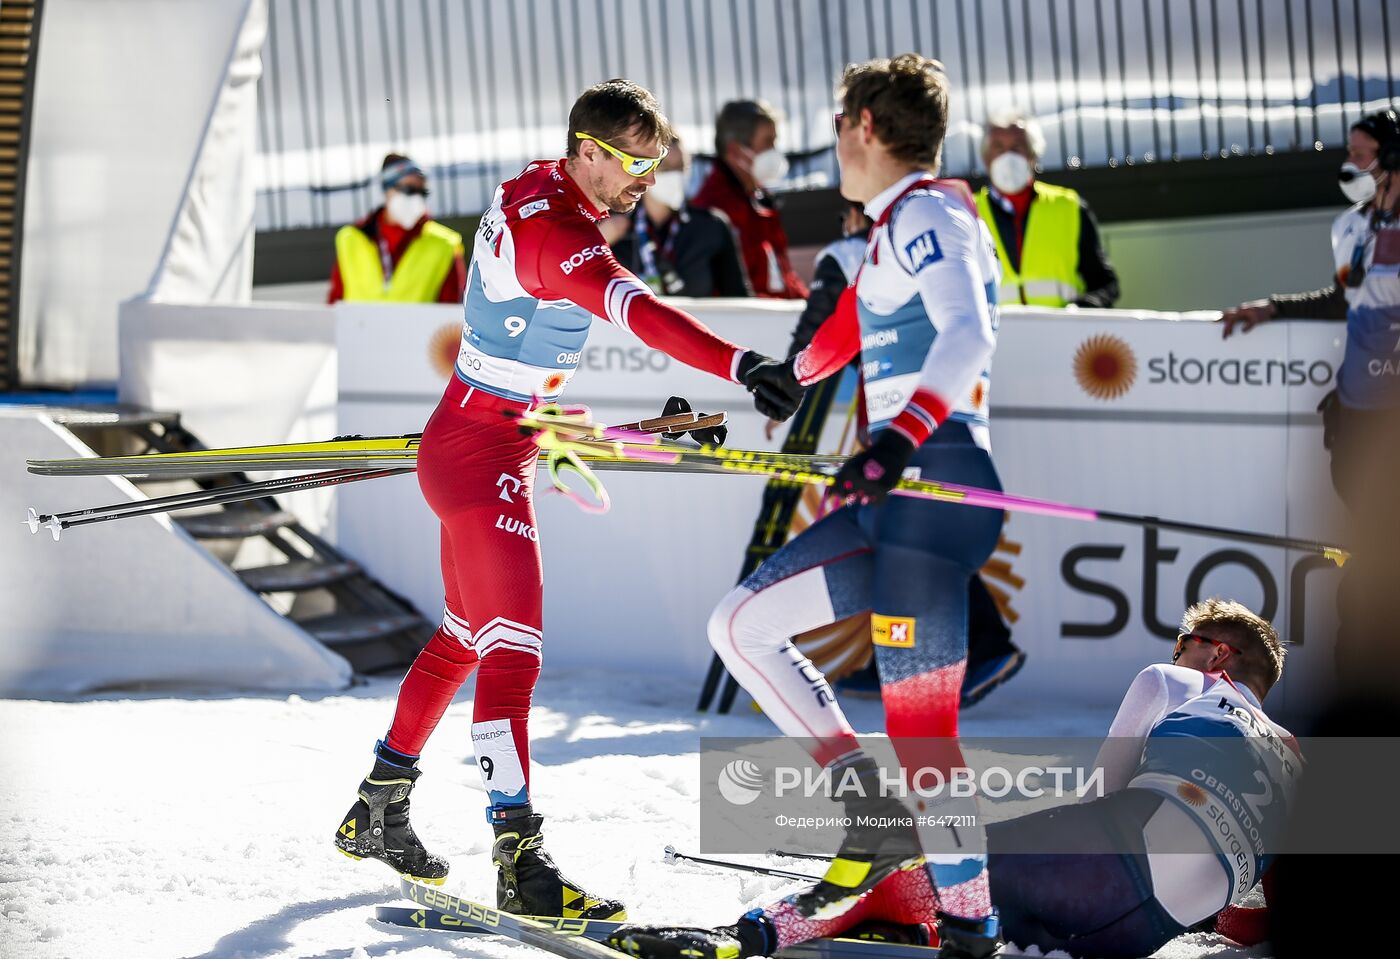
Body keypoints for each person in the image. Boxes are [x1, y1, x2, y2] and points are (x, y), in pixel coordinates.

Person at [332, 79, 804, 920]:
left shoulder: (541, 188)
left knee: (465, 636)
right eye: (632, 163)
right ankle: (521, 859)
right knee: (514, 648)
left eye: (655, 166)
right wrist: (742, 366)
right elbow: (645, 315)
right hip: (480, 456)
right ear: (586, 149)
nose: (644, 183)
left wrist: (614, 426)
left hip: (481, 436)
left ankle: (380, 800)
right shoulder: (556, 232)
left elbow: (524, 368)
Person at [623, 54, 1007, 959]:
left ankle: (964, 921)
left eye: (839, 126)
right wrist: (781, 375)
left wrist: (898, 436)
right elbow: (846, 332)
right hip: (903, 497)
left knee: (920, 738)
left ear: (867, 127)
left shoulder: (931, 212)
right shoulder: (889, 233)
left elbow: (968, 332)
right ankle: (903, 852)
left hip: (928, 483)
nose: (833, 143)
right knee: (746, 625)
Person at [612, 598, 1297, 959]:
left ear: (1217, 653)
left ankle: (746, 938)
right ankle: (916, 925)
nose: (1172, 653)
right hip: (1142, 932)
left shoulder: (1184, 681)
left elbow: (1105, 797)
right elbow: (1245, 918)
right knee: (989, 896)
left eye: (1183, 641)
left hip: (1114, 864)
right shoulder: (1295, 756)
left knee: (926, 853)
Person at [1220, 109, 1400, 504]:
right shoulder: (1349, 227)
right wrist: (1273, 308)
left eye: (1359, 154)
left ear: (1391, 158)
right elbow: (1342, 301)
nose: (1348, 164)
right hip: (1360, 400)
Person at [974, 111, 1119, 308]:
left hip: (1061, 334)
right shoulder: (969, 213)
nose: (1008, 157)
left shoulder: (1069, 208)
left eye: (1017, 147)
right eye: (999, 148)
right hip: (1000, 337)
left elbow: (1105, 284)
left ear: (1033, 155)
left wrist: (1082, 309)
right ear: (985, 158)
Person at [605, 136, 751, 297]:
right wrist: (600, 239)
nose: (676, 176)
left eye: (682, 168)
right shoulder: (612, 225)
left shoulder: (711, 226)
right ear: (643, 171)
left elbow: (740, 299)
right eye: (666, 168)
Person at [691, 99, 808, 299]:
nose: (774, 151)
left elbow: (782, 272)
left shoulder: (756, 198)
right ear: (736, 151)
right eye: (767, 142)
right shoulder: (714, 211)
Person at [327, 154, 467, 304]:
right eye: (409, 190)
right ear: (387, 189)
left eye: (422, 192)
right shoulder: (351, 239)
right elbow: (335, 302)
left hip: (417, 327)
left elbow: (453, 309)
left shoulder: (444, 244)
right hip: (359, 327)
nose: (416, 198)